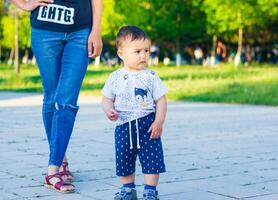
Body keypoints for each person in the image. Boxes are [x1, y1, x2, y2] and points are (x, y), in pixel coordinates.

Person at [10, 0, 103, 193]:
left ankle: (52, 169)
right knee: (52, 97)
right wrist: (24, 4)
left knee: (67, 100)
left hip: (80, 31)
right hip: (45, 30)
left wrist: (96, 30)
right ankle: (60, 159)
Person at [102, 25, 167, 200]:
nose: (143, 55)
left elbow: (161, 99)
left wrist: (159, 121)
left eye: (146, 50)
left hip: (147, 125)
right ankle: (128, 189)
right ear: (121, 54)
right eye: (137, 51)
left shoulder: (151, 76)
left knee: (152, 159)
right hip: (123, 125)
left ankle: (150, 191)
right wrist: (108, 110)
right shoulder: (114, 77)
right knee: (124, 159)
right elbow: (107, 98)